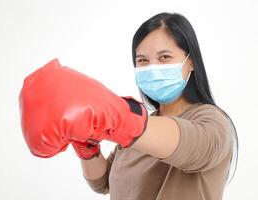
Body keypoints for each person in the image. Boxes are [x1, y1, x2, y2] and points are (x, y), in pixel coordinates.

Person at [19, 12, 238, 200]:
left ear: (190, 62)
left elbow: (195, 148)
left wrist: (121, 118)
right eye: (142, 60)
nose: (152, 67)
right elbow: (103, 183)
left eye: (164, 57)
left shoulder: (212, 122)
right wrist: (87, 147)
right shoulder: (139, 126)